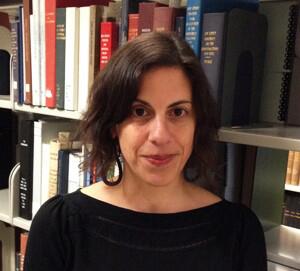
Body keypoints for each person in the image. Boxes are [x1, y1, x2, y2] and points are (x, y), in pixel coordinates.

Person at [24, 32, 267, 271]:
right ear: (113, 125)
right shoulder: (59, 227)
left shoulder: (239, 233)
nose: (160, 135)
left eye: (178, 112)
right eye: (140, 111)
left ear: (197, 123)